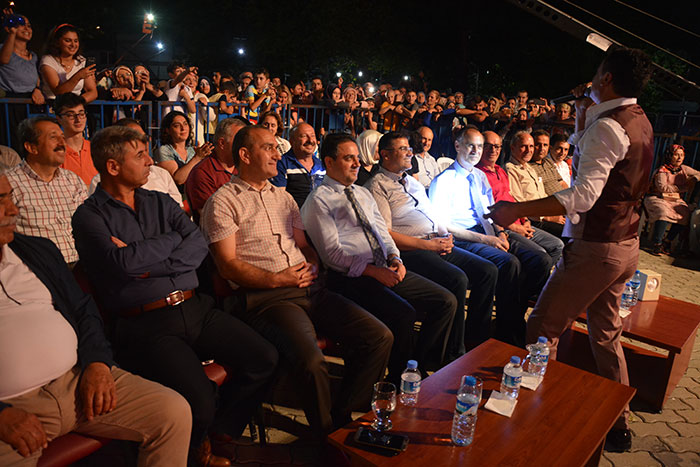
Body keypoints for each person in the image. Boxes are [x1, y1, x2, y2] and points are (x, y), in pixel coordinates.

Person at [72, 126, 278, 466]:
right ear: (112, 167)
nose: (149, 162)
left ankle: (216, 433)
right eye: (140, 155)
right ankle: (197, 448)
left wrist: (145, 258)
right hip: (147, 323)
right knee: (200, 399)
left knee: (265, 357)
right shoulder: (89, 216)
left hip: (194, 307)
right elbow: (121, 265)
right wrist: (170, 243)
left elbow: (196, 243)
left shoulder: (159, 201)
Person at [486, 47, 655, 452]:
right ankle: (619, 423)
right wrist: (583, 115)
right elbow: (599, 159)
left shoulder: (608, 127)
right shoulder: (638, 119)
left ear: (607, 79)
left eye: (597, 72)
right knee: (605, 334)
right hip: (626, 244)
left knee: (542, 329)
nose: (591, 78)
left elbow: (582, 195)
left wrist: (516, 209)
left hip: (596, 249)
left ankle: (539, 417)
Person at [200, 126, 392, 440]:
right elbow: (227, 266)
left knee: (379, 336)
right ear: (245, 155)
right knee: (312, 360)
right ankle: (324, 438)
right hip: (267, 299)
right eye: (269, 148)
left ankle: (342, 415)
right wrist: (278, 279)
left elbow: (303, 246)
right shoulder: (222, 202)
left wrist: (313, 264)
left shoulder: (284, 197)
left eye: (277, 148)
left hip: (308, 287)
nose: (278, 154)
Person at [0, 173, 193, 466]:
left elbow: (83, 309)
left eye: (10, 197)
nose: (13, 210)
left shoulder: (36, 251)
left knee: (173, 412)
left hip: (79, 380)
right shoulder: (92, 215)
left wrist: (98, 362)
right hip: (14, 409)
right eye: (0, 200)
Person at [301, 133, 456, 381]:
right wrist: (374, 272)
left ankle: (415, 366)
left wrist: (396, 258)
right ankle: (396, 380)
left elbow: (382, 232)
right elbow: (333, 255)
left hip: (383, 267)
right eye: (348, 158)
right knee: (403, 313)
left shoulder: (362, 193)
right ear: (329, 162)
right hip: (351, 277)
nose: (357, 163)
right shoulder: (320, 200)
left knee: (445, 300)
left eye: (357, 157)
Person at [365, 132, 497, 360]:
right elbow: (386, 234)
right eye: (403, 149)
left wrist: (446, 236)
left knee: (487, 270)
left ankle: (475, 336)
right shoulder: (377, 186)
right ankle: (451, 351)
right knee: (457, 279)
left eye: (409, 148)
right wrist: (428, 245)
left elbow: (434, 215)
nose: (410, 153)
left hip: (436, 241)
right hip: (412, 249)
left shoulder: (412, 182)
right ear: (385, 155)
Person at [429, 128, 552, 347]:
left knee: (540, 259)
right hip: (464, 236)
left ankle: (513, 319)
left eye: (479, 146)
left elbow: (489, 211)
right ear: (457, 146)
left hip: (489, 230)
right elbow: (443, 226)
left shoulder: (479, 176)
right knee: (509, 263)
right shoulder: (444, 180)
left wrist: (501, 233)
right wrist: (488, 240)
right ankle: (487, 334)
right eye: (470, 145)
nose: (475, 151)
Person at [5, 116, 86, 264]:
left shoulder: (73, 180)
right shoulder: (9, 183)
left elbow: (86, 225)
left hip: (81, 266)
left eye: (62, 137)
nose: (62, 143)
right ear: (31, 148)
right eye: (53, 137)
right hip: (38, 270)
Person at [476, 131, 563, 265]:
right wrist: (517, 227)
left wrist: (525, 220)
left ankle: (543, 276)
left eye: (497, 146)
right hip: (505, 226)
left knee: (557, 245)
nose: (493, 150)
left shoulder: (500, 170)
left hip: (522, 220)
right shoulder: (478, 174)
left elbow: (512, 199)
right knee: (542, 256)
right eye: (488, 146)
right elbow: (488, 211)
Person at [88, 118, 183, 208]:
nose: (150, 162)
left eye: (144, 138)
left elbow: (178, 210)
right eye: (136, 139)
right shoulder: (102, 182)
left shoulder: (162, 175)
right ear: (113, 167)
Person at [186, 118, 247, 221]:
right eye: (239, 141)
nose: (244, 146)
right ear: (222, 143)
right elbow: (213, 216)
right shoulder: (202, 173)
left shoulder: (244, 167)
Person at [506, 131, 565, 238]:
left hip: (546, 214)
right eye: (524, 146)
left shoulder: (529, 168)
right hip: (534, 220)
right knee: (569, 235)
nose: (529, 150)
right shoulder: (511, 169)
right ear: (513, 148)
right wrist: (549, 217)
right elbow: (519, 203)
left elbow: (543, 196)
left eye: (531, 146)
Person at [644, 144, 700, 255]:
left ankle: (667, 241)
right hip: (657, 197)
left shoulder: (684, 169)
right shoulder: (662, 170)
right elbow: (663, 188)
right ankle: (657, 243)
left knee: (685, 213)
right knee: (663, 211)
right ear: (670, 156)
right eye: (676, 155)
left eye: (682, 155)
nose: (679, 158)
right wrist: (682, 188)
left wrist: (694, 178)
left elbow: (698, 173)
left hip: (674, 199)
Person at [0, 11, 44, 150]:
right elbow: (4, 59)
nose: (27, 28)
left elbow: (37, 78)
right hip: (10, 105)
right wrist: (12, 31)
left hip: (30, 103)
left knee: (31, 142)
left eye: (29, 25)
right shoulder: (3, 49)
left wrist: (37, 89)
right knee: (13, 144)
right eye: (21, 25)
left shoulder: (34, 56)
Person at [270, 123, 324, 208]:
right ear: (292, 142)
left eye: (312, 136)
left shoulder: (321, 165)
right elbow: (279, 199)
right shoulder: (282, 164)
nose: (310, 140)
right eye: (304, 136)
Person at [39, 24, 97, 102]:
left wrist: (77, 103)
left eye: (75, 41)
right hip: (53, 105)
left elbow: (92, 92)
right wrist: (78, 76)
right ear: (57, 42)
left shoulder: (81, 60)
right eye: (68, 40)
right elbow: (58, 92)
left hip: (75, 106)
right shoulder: (48, 60)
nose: (73, 45)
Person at [154, 110, 214, 186]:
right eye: (177, 125)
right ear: (167, 130)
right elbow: (178, 180)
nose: (183, 128)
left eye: (185, 124)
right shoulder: (164, 150)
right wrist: (197, 158)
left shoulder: (191, 150)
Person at [54, 92, 97, 185]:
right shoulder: (55, 152)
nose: (78, 119)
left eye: (81, 114)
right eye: (70, 115)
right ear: (59, 119)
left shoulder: (96, 149)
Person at [529, 129, 567, 196]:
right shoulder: (528, 167)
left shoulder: (548, 162)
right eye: (538, 144)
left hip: (563, 198)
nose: (542, 148)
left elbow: (561, 182)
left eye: (545, 145)